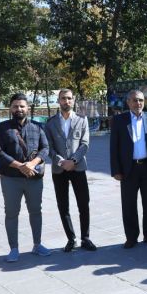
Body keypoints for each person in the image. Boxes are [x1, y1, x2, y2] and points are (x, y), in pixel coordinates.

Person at [0, 93, 51, 262]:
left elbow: (45, 148)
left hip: (33, 177)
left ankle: (37, 244)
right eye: (15, 106)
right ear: (10, 108)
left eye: (22, 106)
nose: (19, 109)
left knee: (36, 211)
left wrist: (32, 164)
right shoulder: (1, 128)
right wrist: (20, 166)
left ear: (28, 108)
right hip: (10, 178)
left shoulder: (38, 127)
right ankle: (14, 248)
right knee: (11, 213)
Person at [110, 89, 147, 248]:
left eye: (141, 100)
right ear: (128, 102)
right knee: (128, 205)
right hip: (129, 169)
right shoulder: (119, 120)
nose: (138, 103)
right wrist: (116, 170)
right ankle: (131, 237)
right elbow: (114, 147)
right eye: (134, 100)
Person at [45, 88, 97, 253]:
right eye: (63, 98)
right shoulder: (50, 122)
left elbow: (85, 144)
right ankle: (71, 239)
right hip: (59, 169)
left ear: (73, 100)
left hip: (78, 167)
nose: (66, 101)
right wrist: (61, 161)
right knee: (63, 205)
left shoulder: (82, 119)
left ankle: (85, 238)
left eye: (69, 98)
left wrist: (73, 160)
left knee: (84, 203)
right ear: (58, 101)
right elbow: (48, 147)